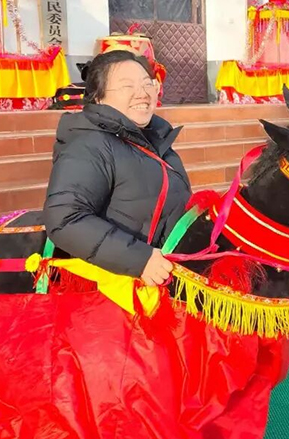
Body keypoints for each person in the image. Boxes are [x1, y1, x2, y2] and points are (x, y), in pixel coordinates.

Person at [43, 49, 191, 286]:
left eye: (147, 84)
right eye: (127, 86)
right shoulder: (90, 145)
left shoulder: (156, 140)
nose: (142, 94)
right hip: (113, 290)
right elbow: (65, 219)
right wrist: (139, 260)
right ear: (99, 98)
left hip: (162, 282)